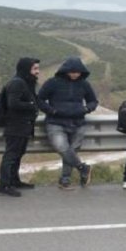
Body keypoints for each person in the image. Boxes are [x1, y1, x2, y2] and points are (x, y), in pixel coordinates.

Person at [38, 57, 98, 190]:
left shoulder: (84, 84)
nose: (75, 74)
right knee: (62, 147)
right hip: (56, 122)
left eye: (78, 72)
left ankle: (65, 181)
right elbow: (40, 99)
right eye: (72, 71)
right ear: (65, 70)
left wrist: (86, 109)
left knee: (71, 151)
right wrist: (51, 110)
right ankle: (83, 168)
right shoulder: (52, 83)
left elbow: (93, 101)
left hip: (78, 123)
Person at [0, 57, 46, 197]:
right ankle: (4, 185)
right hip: (16, 126)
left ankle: (14, 181)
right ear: (26, 69)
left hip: (24, 126)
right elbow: (13, 103)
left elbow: (37, 101)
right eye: (35, 68)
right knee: (11, 155)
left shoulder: (26, 83)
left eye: (38, 68)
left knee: (18, 155)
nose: (37, 71)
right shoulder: (17, 83)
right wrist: (32, 106)